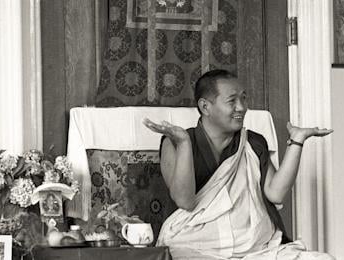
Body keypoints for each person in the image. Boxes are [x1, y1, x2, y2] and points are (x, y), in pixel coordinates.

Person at [143, 70, 334, 259]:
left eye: (244, 98)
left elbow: (275, 193)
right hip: (195, 247)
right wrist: (184, 143)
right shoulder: (175, 142)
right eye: (232, 101)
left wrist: (297, 141)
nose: (241, 107)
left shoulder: (252, 142)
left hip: (255, 248)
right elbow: (185, 201)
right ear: (205, 107)